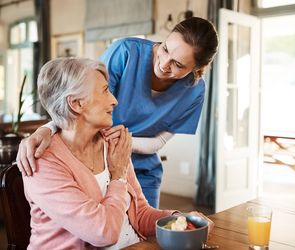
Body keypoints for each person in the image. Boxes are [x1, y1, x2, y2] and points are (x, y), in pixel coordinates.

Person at [17, 17, 219, 208]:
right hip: (94, 164)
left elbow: (159, 142)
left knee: (144, 238)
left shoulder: (194, 91)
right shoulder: (126, 52)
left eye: (178, 64)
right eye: (165, 49)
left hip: (142, 171)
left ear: (197, 68)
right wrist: (47, 129)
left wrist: (122, 145)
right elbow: (80, 100)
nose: (164, 64)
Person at [22, 58, 213, 249]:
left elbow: (140, 214)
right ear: (76, 104)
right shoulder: (42, 163)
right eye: (105, 91)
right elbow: (104, 233)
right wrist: (118, 177)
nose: (114, 100)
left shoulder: (112, 144)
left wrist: (178, 219)